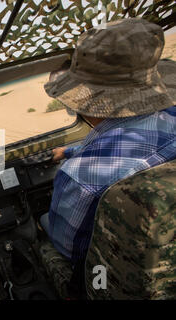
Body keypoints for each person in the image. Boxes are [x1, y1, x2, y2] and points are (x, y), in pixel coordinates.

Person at [40, 18, 176, 271]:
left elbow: (69, 249)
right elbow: (144, 147)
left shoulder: (81, 177)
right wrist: (70, 151)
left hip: (110, 279)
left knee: (44, 224)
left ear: (81, 102)